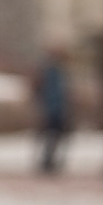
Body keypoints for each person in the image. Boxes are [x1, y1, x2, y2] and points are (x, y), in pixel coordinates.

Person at [32, 46, 71, 175]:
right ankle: (47, 160)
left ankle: (49, 160)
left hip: (56, 108)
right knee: (50, 136)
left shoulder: (59, 71)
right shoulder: (50, 71)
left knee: (54, 136)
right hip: (51, 108)